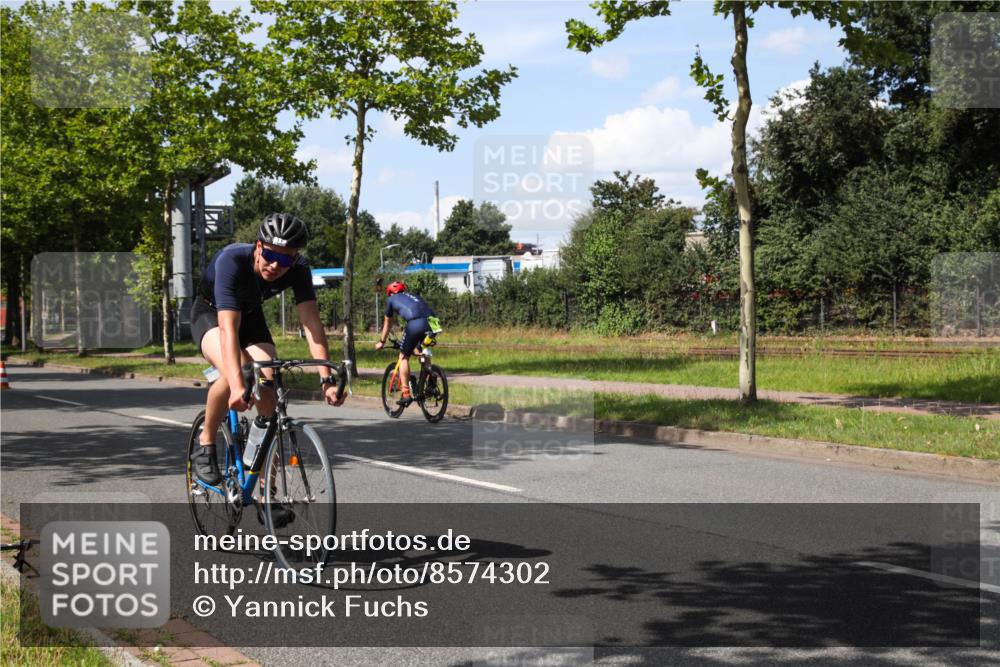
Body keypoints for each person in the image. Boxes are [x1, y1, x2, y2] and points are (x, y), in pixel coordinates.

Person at [189, 213, 346, 485]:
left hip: (250, 316)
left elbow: (311, 322)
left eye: (286, 259)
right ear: (258, 246)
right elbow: (227, 328)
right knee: (234, 371)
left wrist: (326, 378)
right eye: (271, 255)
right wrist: (239, 385)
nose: (275, 265)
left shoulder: (299, 268)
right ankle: (205, 442)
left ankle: (266, 490)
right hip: (212, 314)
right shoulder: (232, 260)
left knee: (268, 390)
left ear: (295, 258)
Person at [374, 281, 439, 406]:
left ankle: (405, 394)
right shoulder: (414, 296)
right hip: (434, 323)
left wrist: (382, 342)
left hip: (416, 324)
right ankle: (430, 380)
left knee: (403, 357)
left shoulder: (392, 300)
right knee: (421, 351)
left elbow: (388, 324)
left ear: (390, 293)